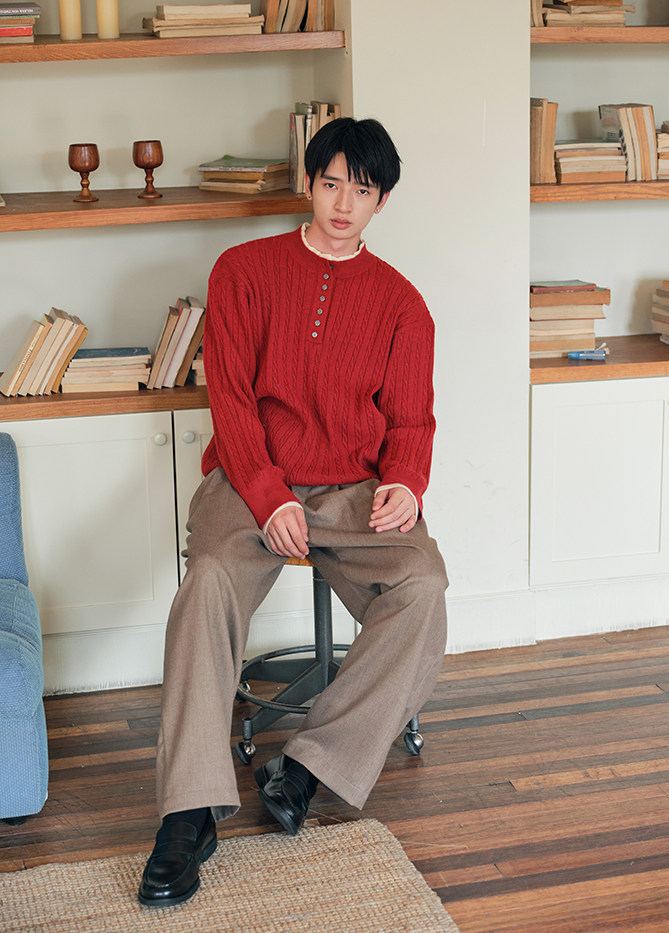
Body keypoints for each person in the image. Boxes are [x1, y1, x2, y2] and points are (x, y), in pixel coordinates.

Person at [138, 117, 449, 908]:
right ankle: (187, 813)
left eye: (362, 190)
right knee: (207, 582)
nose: (344, 203)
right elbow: (232, 399)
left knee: (422, 587)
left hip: (352, 488)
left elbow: (411, 420)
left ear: (381, 202)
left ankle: (308, 765)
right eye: (332, 183)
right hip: (252, 479)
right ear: (308, 184)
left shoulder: (403, 304)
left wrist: (406, 481)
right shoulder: (242, 271)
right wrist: (269, 493)